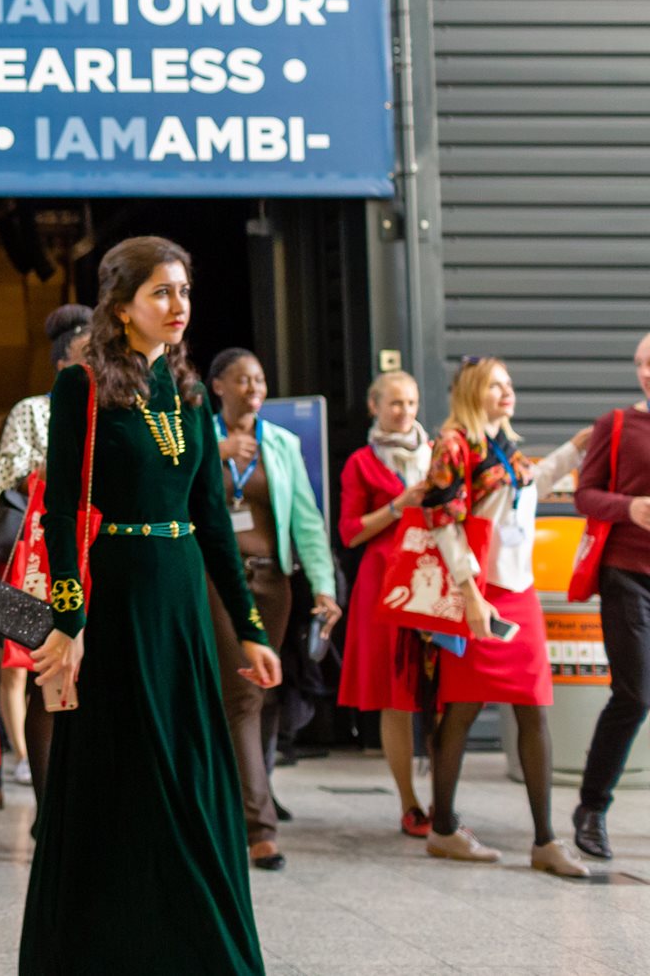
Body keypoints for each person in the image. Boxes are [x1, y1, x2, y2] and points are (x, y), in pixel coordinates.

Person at [22, 236, 282, 976]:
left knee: (194, 770)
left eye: (184, 292)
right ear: (123, 304)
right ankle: (103, 945)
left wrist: (250, 628)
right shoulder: (82, 387)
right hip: (120, 591)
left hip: (181, 594)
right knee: (124, 774)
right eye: (162, 292)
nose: (178, 306)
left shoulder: (193, 390)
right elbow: (61, 508)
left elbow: (210, 519)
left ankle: (194, 944)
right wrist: (68, 620)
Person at [419, 357, 590, 876]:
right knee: (463, 711)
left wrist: (576, 448)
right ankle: (444, 829)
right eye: (497, 384)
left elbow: (529, 486)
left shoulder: (505, 447)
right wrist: (470, 593)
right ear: (474, 390)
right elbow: (443, 519)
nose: (508, 391)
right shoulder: (453, 444)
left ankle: (546, 841)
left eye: (510, 384)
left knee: (534, 710)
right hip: (481, 594)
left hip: (520, 594)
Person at [206, 348, 340, 871]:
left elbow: (307, 521)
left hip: (272, 582)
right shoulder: (200, 437)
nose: (254, 388)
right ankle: (260, 829)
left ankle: (245, 800)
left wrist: (324, 588)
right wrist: (215, 451)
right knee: (242, 692)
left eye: (260, 379)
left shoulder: (280, 444)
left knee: (259, 692)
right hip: (217, 580)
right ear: (219, 386)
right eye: (243, 379)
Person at [0, 304, 91, 802]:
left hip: (95, 550)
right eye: (86, 350)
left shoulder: (108, 405)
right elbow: (3, 476)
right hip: (35, 555)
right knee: (36, 674)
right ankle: (43, 792)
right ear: (62, 359)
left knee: (88, 673)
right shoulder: (34, 410)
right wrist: (59, 466)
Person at [336, 370, 435, 837]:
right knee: (396, 696)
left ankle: (445, 798)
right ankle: (410, 802)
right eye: (395, 403)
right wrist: (399, 505)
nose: (405, 412)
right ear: (374, 406)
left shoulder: (440, 456)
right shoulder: (360, 462)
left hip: (434, 582)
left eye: (412, 403)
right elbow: (351, 531)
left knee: (442, 691)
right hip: (384, 584)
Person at [572, 330, 650, 860]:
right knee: (637, 693)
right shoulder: (617, 424)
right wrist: (629, 509)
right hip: (627, 573)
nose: (648, 373)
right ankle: (592, 806)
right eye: (643, 365)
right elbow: (584, 494)